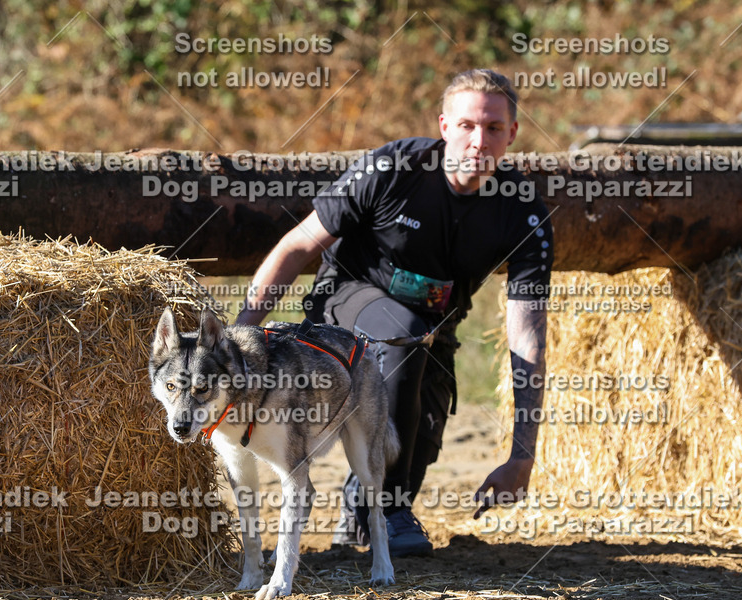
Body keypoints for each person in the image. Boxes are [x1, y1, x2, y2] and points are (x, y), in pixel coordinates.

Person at [234, 69, 551, 557]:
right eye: (467, 125)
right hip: (344, 304)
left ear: (512, 134)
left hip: (434, 334)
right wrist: (239, 340)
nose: (478, 140)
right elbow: (297, 246)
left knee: (413, 440)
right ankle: (389, 508)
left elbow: (527, 338)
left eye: (492, 128)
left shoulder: (522, 211)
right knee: (403, 337)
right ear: (445, 126)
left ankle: (364, 509)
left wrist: (522, 456)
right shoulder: (394, 168)